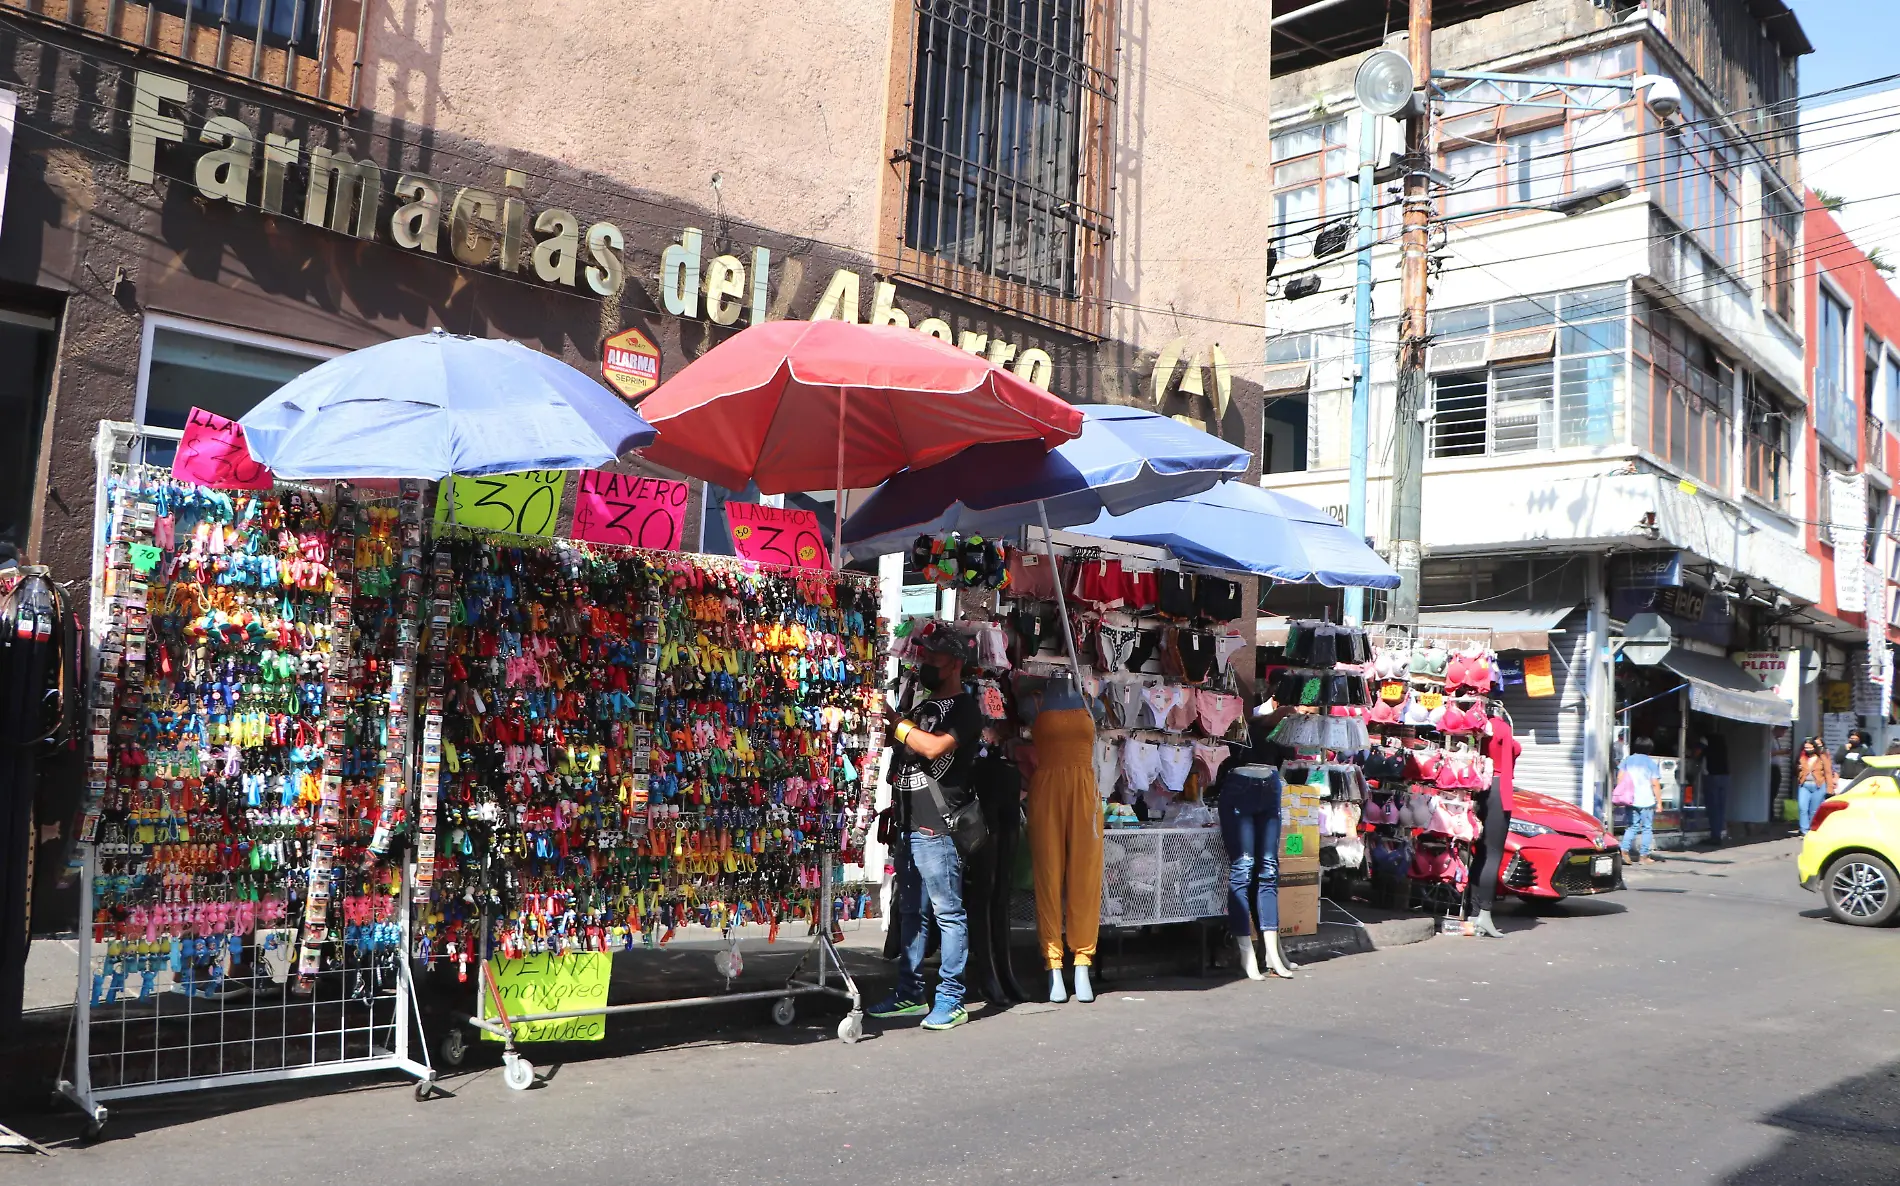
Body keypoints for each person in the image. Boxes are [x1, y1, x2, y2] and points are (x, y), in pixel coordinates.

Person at [870, 630, 983, 1032]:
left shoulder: (967, 709)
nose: (924, 665)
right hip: (907, 822)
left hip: (939, 827)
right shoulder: (921, 705)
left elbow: (933, 748)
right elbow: (903, 750)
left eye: (933, 659)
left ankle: (951, 998)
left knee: (948, 913)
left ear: (954, 664)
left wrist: (897, 722)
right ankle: (909, 992)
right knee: (910, 911)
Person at [1616, 737, 1663, 865]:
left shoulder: (1628, 760)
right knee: (1647, 828)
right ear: (1649, 749)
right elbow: (1655, 784)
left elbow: (1620, 778)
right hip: (1646, 800)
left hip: (1630, 799)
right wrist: (1659, 801)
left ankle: (1624, 851)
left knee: (1632, 826)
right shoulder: (1650, 763)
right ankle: (1644, 856)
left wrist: (1622, 794)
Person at [1693, 733, 1730, 847]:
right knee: (1720, 808)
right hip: (1725, 776)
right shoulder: (1722, 738)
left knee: (1713, 807)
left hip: (1712, 776)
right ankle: (1718, 834)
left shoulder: (1705, 738)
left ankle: (1715, 837)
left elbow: (1697, 753)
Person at [1797, 736, 1837, 835]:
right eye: (1806, 748)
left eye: (1810, 747)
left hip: (1818, 786)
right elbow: (1795, 770)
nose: (1808, 750)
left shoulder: (1822, 757)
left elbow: (1828, 773)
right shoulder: (1802, 757)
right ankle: (1804, 830)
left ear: (1814, 747)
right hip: (1804, 785)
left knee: (1814, 810)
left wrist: (1830, 788)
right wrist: (1798, 769)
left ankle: (1812, 829)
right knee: (1803, 808)